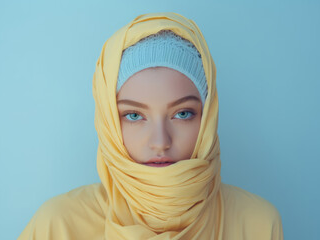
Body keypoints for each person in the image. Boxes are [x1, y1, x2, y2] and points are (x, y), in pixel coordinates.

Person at [18, 12, 283, 240]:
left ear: (207, 118)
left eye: (183, 113)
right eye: (134, 115)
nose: (160, 141)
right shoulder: (57, 227)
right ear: (109, 123)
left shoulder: (258, 224)